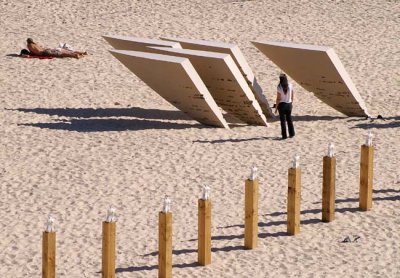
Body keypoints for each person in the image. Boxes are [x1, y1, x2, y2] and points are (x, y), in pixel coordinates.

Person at [275, 73, 295, 139]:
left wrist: (276, 108)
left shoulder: (279, 87)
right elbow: (292, 95)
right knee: (289, 119)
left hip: (282, 105)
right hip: (289, 104)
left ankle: (284, 136)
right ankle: (292, 134)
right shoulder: (290, 85)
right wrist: (291, 102)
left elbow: (278, 98)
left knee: (283, 121)